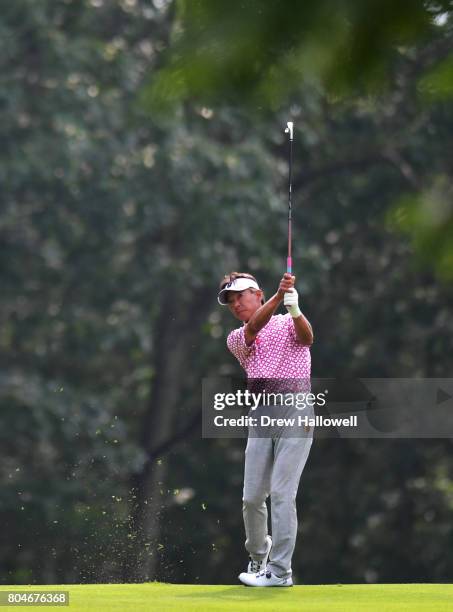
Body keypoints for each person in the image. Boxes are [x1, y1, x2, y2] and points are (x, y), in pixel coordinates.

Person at [217, 271, 314, 587]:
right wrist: (279, 295)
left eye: (239, 297)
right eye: (230, 302)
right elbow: (255, 325)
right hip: (262, 415)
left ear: (255, 293)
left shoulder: (288, 323)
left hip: (296, 408)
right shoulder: (237, 337)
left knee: (283, 493)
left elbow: (308, 338)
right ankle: (259, 555)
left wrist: (294, 308)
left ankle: (280, 571)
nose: (235, 305)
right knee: (252, 497)